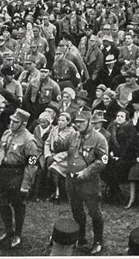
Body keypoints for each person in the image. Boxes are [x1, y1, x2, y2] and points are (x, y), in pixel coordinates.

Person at [53, 109, 108, 255]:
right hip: (71, 179)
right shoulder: (73, 135)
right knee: (76, 210)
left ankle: (98, 241)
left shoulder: (99, 139)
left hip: (89, 181)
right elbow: (59, 147)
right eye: (76, 122)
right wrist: (57, 135)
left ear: (90, 122)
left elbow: (102, 161)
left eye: (81, 122)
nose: (78, 125)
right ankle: (81, 237)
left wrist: (85, 172)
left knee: (94, 212)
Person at [0, 108, 38, 248]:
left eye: (15, 121)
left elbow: (32, 165)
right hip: (3, 173)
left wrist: (25, 184)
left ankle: (17, 234)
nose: (11, 123)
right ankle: (8, 230)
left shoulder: (29, 140)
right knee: (0, 201)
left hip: (17, 174)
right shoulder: (7, 133)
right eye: (11, 120)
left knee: (18, 205)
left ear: (23, 124)